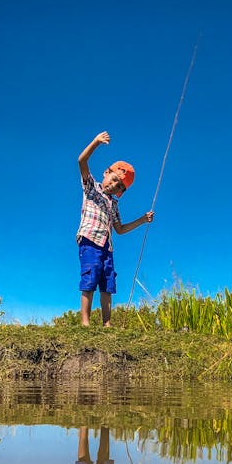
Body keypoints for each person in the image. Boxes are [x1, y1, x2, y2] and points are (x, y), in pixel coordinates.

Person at [76, 131, 154, 327]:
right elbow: (81, 161)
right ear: (106, 173)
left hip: (107, 247)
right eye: (112, 179)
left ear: (121, 191)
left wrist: (142, 220)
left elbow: (119, 229)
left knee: (108, 283)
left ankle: (107, 323)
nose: (112, 185)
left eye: (118, 185)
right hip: (89, 240)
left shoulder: (115, 205)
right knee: (90, 276)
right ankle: (85, 321)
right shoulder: (91, 187)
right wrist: (96, 142)